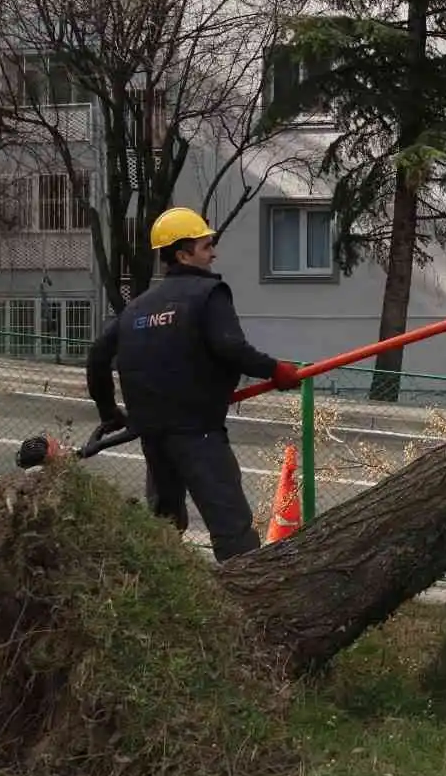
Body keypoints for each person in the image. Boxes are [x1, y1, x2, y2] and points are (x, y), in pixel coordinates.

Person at [86, 206, 305, 561]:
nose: (213, 253)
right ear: (182, 253)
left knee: (163, 525)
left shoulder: (137, 308)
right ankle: (248, 600)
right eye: (205, 246)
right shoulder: (208, 294)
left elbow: (97, 357)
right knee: (232, 529)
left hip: (153, 434)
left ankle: (159, 593)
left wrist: (110, 412)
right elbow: (230, 346)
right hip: (198, 432)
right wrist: (275, 370)